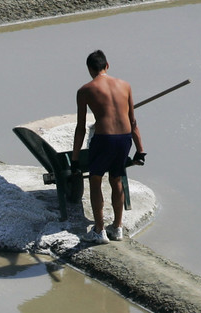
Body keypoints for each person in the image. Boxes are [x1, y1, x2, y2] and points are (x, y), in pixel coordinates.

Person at [71, 49, 145, 243]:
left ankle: (99, 230)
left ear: (89, 69)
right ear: (107, 65)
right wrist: (140, 149)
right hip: (124, 139)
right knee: (117, 180)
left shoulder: (85, 90)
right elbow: (133, 120)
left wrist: (75, 158)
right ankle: (117, 228)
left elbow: (80, 128)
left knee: (95, 180)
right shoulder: (125, 85)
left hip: (103, 139)